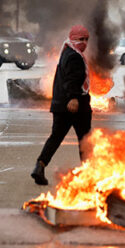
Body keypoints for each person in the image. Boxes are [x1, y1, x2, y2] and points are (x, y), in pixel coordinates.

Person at [31, 24, 92, 185]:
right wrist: (73, 98)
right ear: (73, 38)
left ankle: (40, 166)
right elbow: (72, 79)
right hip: (75, 106)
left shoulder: (66, 52)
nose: (84, 43)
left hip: (60, 105)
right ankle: (88, 174)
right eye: (81, 39)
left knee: (56, 138)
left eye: (86, 39)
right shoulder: (74, 56)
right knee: (85, 140)